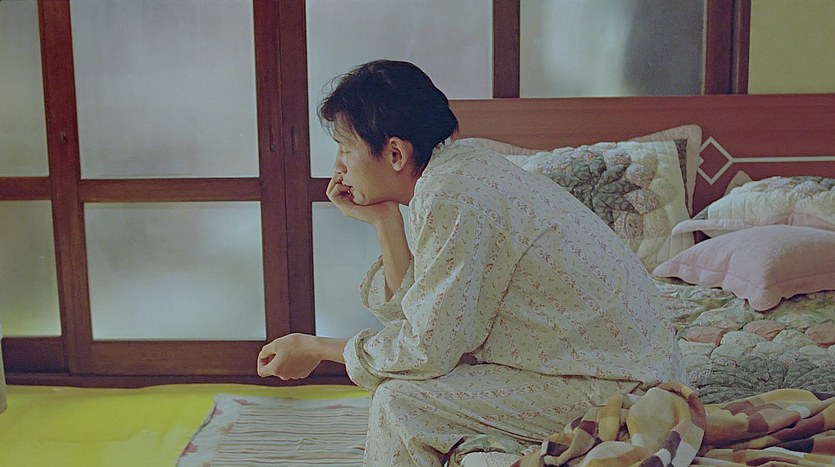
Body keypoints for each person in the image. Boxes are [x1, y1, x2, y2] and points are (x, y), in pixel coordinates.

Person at [257, 59, 685, 466]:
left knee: (399, 401)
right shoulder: (460, 168)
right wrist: (385, 221)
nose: (338, 167)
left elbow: (426, 350)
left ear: (395, 154)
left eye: (345, 149)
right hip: (618, 367)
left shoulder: (451, 196)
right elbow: (422, 317)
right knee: (406, 382)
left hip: (620, 388)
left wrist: (316, 348)